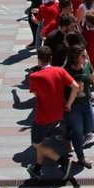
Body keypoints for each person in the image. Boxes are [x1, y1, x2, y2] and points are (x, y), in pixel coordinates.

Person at [26, 46, 79, 180]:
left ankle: (63, 162)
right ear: (51, 58)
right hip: (58, 114)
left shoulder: (35, 76)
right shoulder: (59, 71)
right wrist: (68, 104)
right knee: (42, 142)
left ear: (39, 60)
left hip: (43, 117)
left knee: (36, 143)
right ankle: (37, 168)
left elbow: (35, 94)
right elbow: (76, 87)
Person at [64, 44, 94, 168]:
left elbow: (93, 78)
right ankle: (81, 157)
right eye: (83, 55)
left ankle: (66, 136)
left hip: (86, 102)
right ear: (75, 57)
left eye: (86, 54)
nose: (86, 57)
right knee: (78, 132)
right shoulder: (66, 71)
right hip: (73, 107)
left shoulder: (87, 65)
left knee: (89, 128)